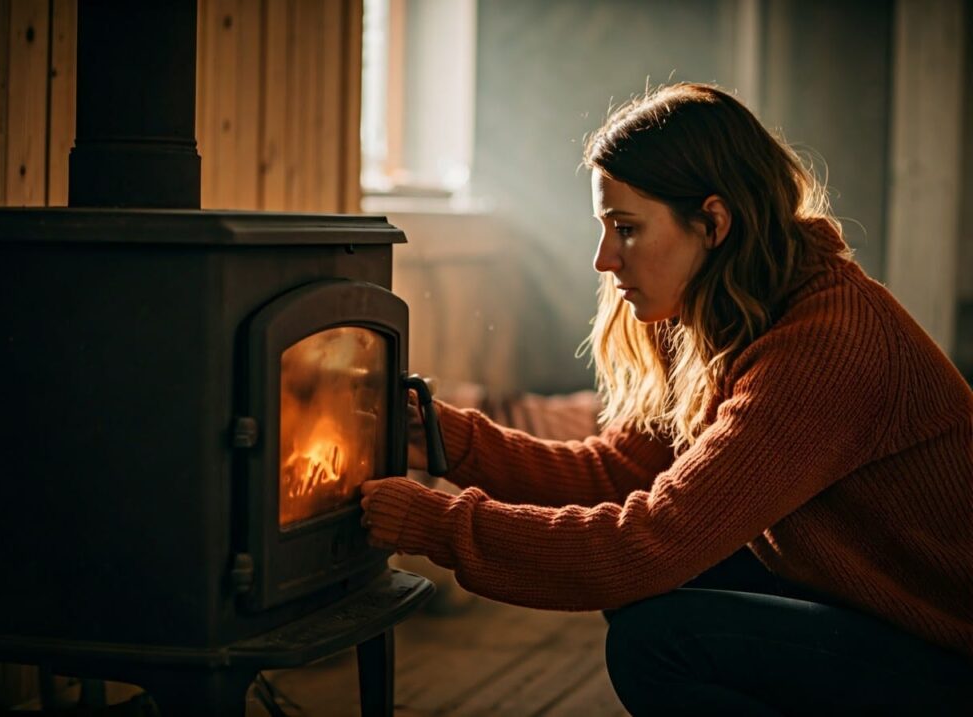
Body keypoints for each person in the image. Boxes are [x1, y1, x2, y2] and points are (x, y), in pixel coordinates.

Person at [359, 82, 973, 715]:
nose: (603, 259)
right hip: (864, 605)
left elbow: (647, 544)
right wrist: (444, 438)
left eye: (626, 229)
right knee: (647, 600)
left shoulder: (826, 343)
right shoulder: (724, 308)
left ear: (712, 221)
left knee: (660, 641)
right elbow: (617, 472)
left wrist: (433, 523)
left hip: (946, 652)